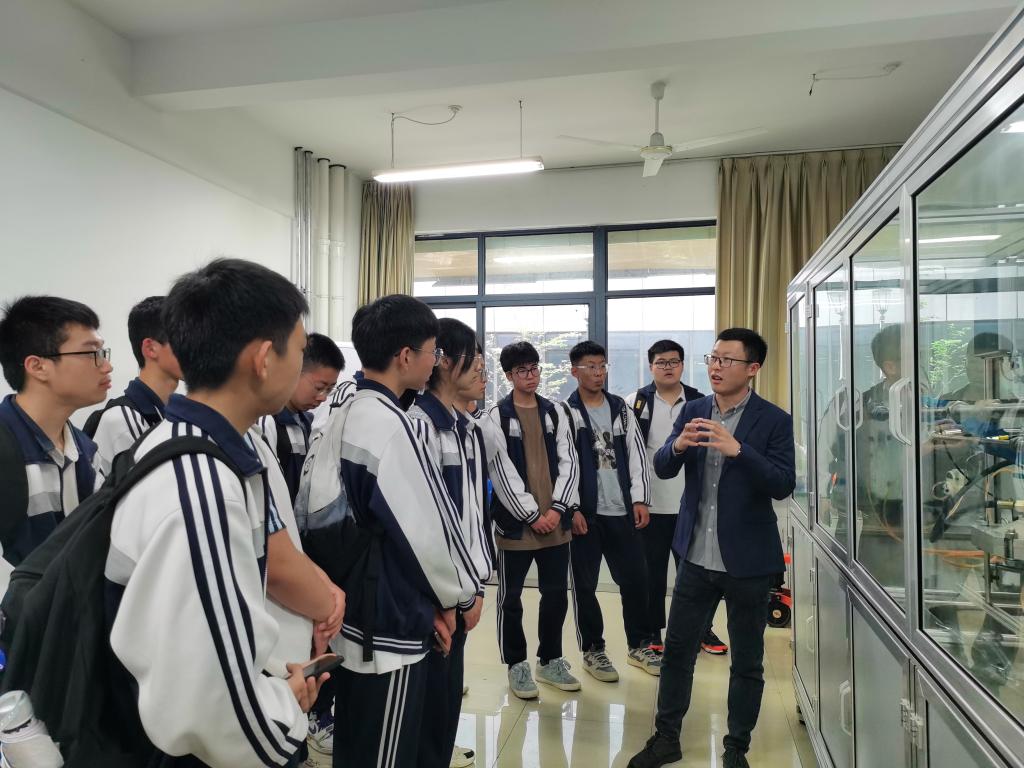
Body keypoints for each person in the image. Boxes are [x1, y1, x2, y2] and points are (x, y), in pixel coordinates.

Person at [105, 259, 334, 766]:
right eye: (299, 351)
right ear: (263, 359)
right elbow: (213, 707)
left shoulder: (197, 448)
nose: (302, 365)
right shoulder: (202, 485)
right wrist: (284, 709)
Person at [629, 328, 795, 768]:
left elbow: (782, 484)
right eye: (713, 358)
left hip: (748, 563)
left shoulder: (774, 420)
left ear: (753, 368)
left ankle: (736, 748)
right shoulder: (695, 409)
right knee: (677, 654)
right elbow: (663, 467)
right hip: (696, 557)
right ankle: (666, 739)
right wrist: (677, 445)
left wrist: (740, 450)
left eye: (728, 360)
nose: (716, 367)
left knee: (747, 662)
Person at [331, 295, 483, 768]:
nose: (434, 362)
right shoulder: (391, 424)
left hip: (358, 609)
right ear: (405, 356)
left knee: (361, 743)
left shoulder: (346, 411)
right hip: (391, 620)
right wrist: (458, 598)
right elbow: (427, 532)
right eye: (432, 352)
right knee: (388, 750)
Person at [409, 321, 533, 768]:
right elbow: (425, 524)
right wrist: (454, 594)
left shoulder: (469, 428)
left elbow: (476, 513)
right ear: (442, 361)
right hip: (436, 594)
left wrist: (476, 587)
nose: (483, 370)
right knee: (426, 704)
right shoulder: (419, 427)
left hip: (464, 589)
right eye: (475, 360)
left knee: (445, 701)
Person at [486, 341, 581, 700]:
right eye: (522, 370)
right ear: (509, 376)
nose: (531, 376)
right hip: (516, 527)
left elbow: (570, 460)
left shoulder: (555, 411)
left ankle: (550, 659)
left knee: (555, 595)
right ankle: (516, 664)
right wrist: (531, 514)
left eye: (534, 368)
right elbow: (501, 471)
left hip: (555, 524)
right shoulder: (496, 415)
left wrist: (557, 509)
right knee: (510, 599)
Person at [562, 340, 657, 680]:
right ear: (575, 372)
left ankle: (640, 645)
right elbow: (563, 464)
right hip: (586, 515)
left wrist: (639, 499)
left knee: (636, 581)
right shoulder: (565, 412)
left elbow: (637, 454)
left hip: (622, 511)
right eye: (590, 366)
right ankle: (593, 650)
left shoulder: (621, 408)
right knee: (585, 586)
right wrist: (571, 508)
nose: (598, 372)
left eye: (602, 366)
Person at [626, 339, 727, 657]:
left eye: (673, 361)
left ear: (682, 365)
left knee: (697, 575)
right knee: (651, 574)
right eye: (661, 362)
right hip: (650, 505)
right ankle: (651, 632)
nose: (667, 367)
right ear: (650, 366)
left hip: (693, 505)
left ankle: (700, 630)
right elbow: (629, 455)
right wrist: (635, 499)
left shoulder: (699, 402)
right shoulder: (635, 403)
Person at [0, 296, 110, 566]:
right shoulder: (6, 450)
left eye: (103, 352)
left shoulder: (85, 452)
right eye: (91, 354)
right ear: (38, 367)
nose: (107, 366)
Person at [88, 295, 181, 475]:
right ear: (151, 348)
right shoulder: (121, 420)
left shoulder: (173, 411)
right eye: (184, 338)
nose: (196, 348)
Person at [257, 332, 345, 502]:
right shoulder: (267, 422)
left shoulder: (305, 422)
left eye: (329, 389)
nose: (323, 397)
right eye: (319, 387)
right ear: (295, 370)